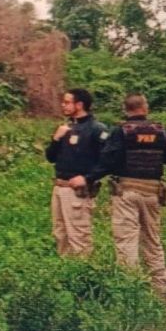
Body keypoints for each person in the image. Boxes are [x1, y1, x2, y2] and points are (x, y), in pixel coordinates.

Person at [77, 94, 166, 295]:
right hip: (152, 193)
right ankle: (159, 287)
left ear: (125, 110)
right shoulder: (162, 131)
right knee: (152, 239)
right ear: (145, 108)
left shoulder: (120, 132)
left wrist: (88, 178)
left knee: (126, 240)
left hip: (126, 192)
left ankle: (130, 290)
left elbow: (107, 161)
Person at [45, 88, 108, 257]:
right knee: (60, 233)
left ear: (79, 105)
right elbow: (50, 157)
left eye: (67, 102)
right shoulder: (66, 128)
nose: (63, 105)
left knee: (79, 236)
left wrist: (88, 178)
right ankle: (66, 274)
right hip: (59, 186)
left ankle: (83, 274)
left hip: (77, 191)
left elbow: (107, 161)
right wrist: (56, 138)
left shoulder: (96, 129)